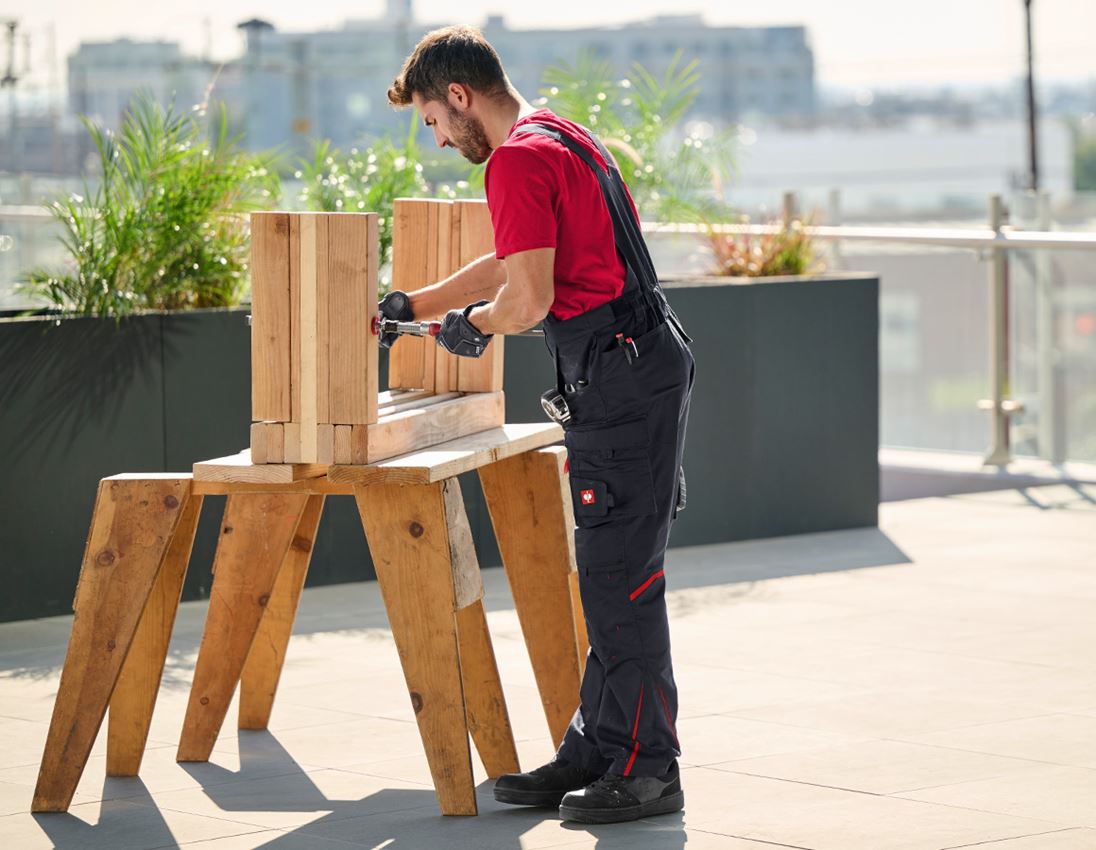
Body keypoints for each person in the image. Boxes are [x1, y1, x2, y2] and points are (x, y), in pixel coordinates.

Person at [382, 25, 695, 825]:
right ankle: (598, 746)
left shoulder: (516, 158)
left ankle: (647, 769)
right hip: (637, 360)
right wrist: (416, 306)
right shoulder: (553, 133)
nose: (440, 138)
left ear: (458, 95)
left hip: (616, 375)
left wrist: (476, 326)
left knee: (622, 575)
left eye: (434, 121)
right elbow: (516, 258)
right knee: (610, 569)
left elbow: (527, 299)